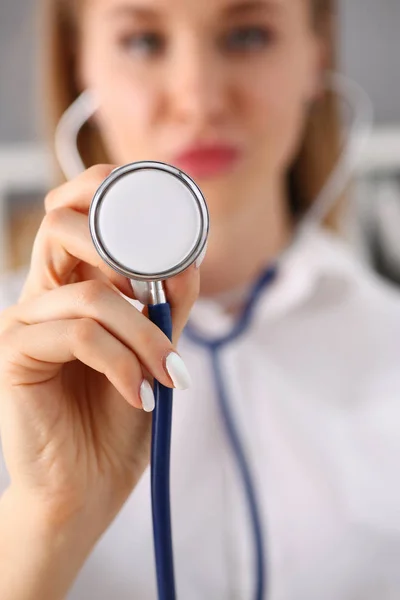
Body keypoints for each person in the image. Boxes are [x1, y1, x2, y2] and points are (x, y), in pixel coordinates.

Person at [0, 0, 399, 598]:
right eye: (142, 42)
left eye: (247, 35)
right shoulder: (21, 370)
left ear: (316, 54)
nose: (199, 99)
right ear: (81, 62)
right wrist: (49, 515)